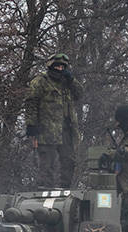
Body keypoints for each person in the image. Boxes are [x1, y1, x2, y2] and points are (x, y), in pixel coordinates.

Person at [24, 53, 83, 188]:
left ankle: (65, 191)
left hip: (66, 130)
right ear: (51, 66)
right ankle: (44, 194)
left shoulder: (67, 83)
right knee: (47, 165)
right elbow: (30, 102)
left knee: (69, 161)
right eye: (57, 66)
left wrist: (71, 80)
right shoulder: (41, 81)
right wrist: (31, 125)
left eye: (63, 66)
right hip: (46, 130)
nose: (60, 69)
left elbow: (79, 93)